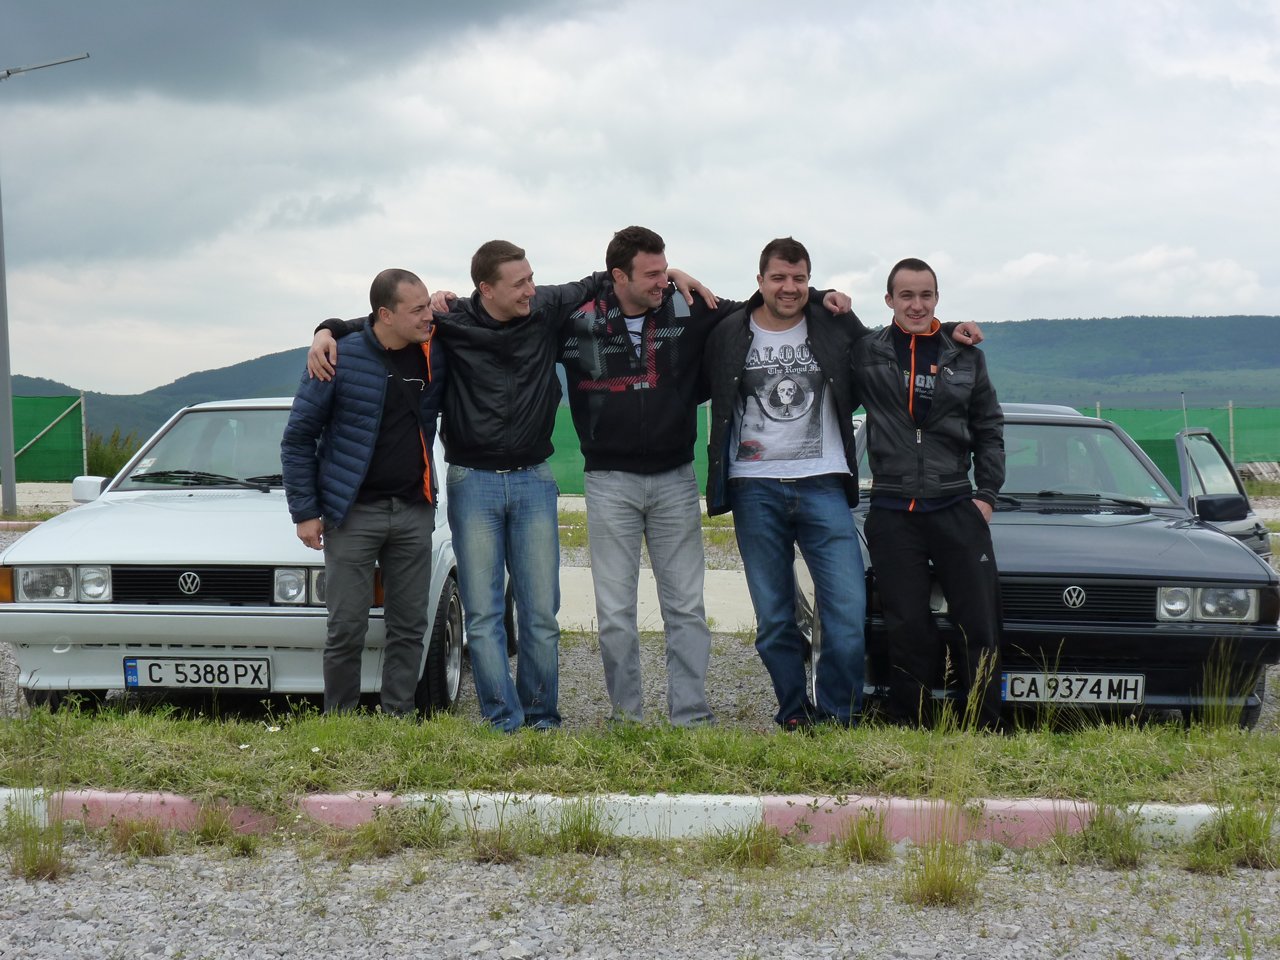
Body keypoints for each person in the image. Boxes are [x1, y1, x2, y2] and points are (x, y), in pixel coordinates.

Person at [307, 241, 710, 732]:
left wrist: (673, 276)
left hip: (534, 479)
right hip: (472, 482)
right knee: (483, 615)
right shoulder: (449, 320)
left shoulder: (546, 308)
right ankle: (501, 719)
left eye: (531, 278)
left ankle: (541, 718)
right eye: (519, 283)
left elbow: (608, 277)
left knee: (541, 613)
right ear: (486, 289)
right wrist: (328, 329)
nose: (530, 290)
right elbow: (384, 322)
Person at [558, 226, 850, 726]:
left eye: (664, 270)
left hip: (675, 478)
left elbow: (766, 303)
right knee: (615, 614)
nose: (662, 282)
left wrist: (821, 295)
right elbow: (520, 311)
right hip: (608, 481)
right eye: (651, 274)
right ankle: (626, 719)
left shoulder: (689, 308)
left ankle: (690, 716)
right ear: (618, 277)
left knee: (686, 607)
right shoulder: (576, 319)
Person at [705, 240, 982, 731]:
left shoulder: (833, 324)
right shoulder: (730, 330)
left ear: (809, 281)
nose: (789, 287)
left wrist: (951, 330)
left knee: (847, 611)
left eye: (800, 279)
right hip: (754, 488)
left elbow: (901, 337)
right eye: (778, 278)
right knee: (774, 618)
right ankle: (793, 711)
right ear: (760, 281)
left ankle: (839, 715)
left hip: (823, 485)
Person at [280, 268, 445, 716]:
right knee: (346, 627)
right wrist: (305, 512)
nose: (428, 316)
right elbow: (298, 439)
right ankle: (341, 720)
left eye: (428, 305)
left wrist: (326, 327)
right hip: (352, 514)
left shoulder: (434, 351)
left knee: (409, 626)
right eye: (417, 309)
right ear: (386, 315)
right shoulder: (336, 358)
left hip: (413, 510)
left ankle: (398, 717)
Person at [853, 257, 1005, 729]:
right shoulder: (866, 352)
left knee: (979, 623)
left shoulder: (965, 355)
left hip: (956, 504)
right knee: (907, 625)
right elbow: (822, 322)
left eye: (926, 295)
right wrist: (820, 295)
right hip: (893, 508)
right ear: (889, 300)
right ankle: (911, 723)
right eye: (906, 296)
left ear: (937, 298)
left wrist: (987, 494)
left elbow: (989, 428)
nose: (916, 305)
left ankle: (983, 723)